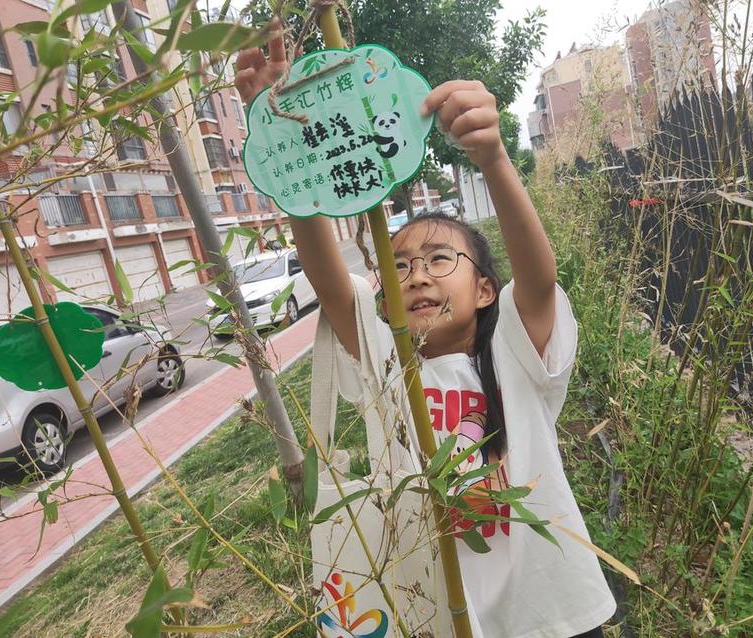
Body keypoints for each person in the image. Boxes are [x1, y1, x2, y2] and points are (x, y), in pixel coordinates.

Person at [236, 27, 616, 638]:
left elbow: (539, 277)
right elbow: (331, 281)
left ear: (486, 290)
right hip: (435, 612)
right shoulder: (389, 360)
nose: (418, 276)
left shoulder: (515, 351)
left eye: (441, 260)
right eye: (402, 266)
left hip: (548, 615)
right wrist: (289, 147)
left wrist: (492, 158)